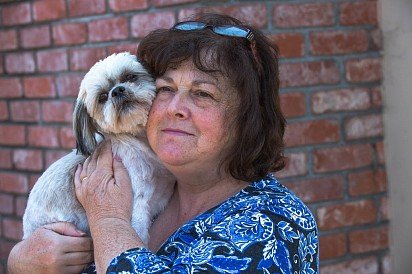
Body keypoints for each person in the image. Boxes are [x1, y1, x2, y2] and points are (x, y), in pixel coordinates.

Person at [8, 13, 319, 273]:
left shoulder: (274, 226)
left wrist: (109, 220)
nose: (174, 108)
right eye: (166, 89)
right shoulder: (146, 184)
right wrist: (20, 262)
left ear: (248, 117)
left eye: (202, 94)